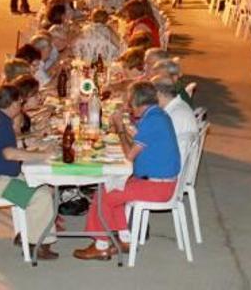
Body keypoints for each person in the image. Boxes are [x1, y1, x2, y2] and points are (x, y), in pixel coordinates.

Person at [73, 82, 181, 260]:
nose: (130, 109)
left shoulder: (153, 120)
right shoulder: (157, 114)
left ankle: (101, 245)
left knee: (104, 194)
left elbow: (130, 155)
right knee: (111, 184)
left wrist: (120, 128)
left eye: (130, 104)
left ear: (138, 103)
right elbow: (141, 142)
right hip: (156, 180)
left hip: (158, 186)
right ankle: (125, 238)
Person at [0, 85, 57, 260]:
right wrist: (43, 154)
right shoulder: (0, 123)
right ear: (11, 104)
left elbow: (5, 148)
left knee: (44, 186)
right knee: (41, 196)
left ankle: (28, 233)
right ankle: (37, 244)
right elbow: (9, 153)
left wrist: (36, 150)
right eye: (19, 102)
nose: (21, 106)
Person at [153, 76, 198, 159]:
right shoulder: (178, 105)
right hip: (177, 159)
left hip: (171, 164)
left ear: (159, 94)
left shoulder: (172, 115)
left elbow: (159, 147)